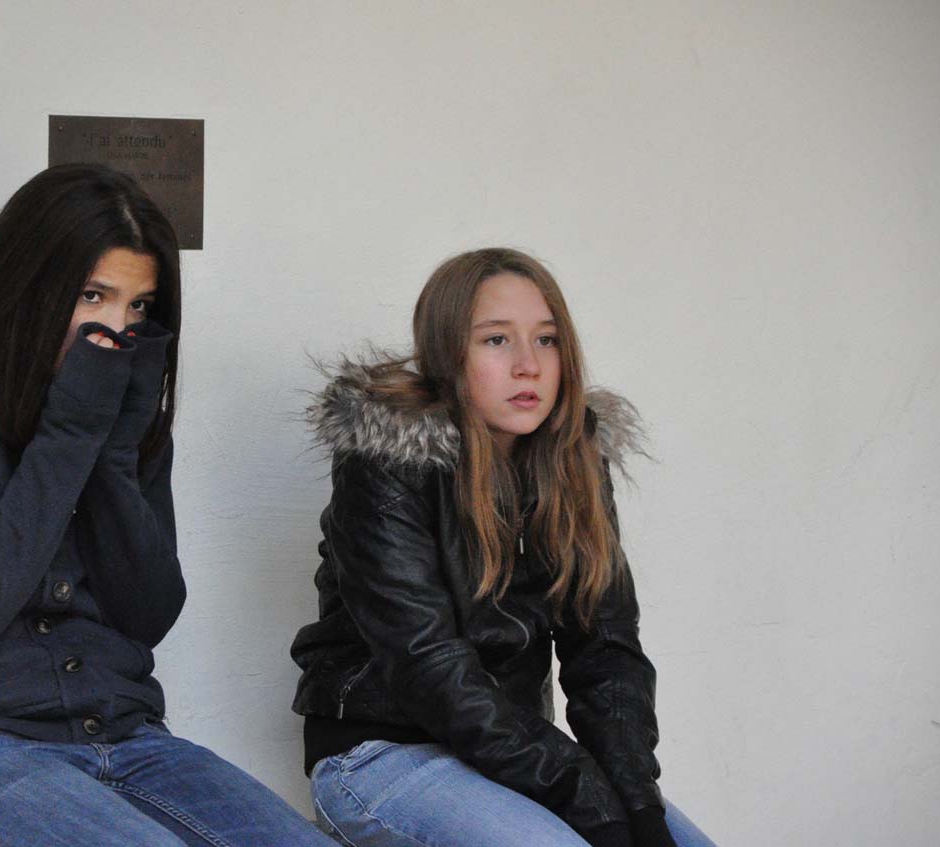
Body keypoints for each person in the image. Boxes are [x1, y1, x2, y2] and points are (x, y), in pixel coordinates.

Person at [0, 164, 332, 847]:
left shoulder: (118, 405)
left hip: (128, 738)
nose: (116, 328)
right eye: (93, 295)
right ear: (31, 285)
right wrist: (73, 432)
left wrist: (111, 453)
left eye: (139, 306)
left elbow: (147, 614)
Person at [289, 248, 717, 847]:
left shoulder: (573, 462)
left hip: (514, 756)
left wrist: (636, 800)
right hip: (382, 753)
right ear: (447, 354)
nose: (528, 366)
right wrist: (588, 799)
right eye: (496, 340)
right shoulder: (387, 463)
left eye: (546, 340)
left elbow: (606, 649)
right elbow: (427, 666)